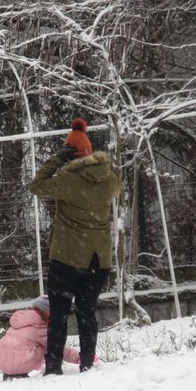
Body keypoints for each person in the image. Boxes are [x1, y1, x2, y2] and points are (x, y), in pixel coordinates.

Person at [29, 118, 122, 375]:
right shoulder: (110, 180)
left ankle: (53, 366)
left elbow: (36, 186)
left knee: (58, 314)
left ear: (69, 152)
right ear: (90, 152)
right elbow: (116, 177)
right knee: (86, 311)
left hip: (68, 258)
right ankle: (87, 363)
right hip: (98, 260)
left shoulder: (68, 179)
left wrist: (56, 160)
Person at [0, 296, 83, 380]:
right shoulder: (40, 326)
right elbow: (58, 348)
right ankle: (18, 370)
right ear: (48, 312)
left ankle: (10, 372)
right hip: (20, 362)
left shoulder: (23, 320)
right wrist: (79, 358)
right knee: (48, 344)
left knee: (20, 343)